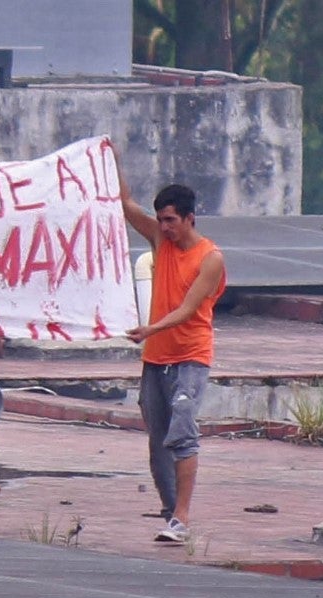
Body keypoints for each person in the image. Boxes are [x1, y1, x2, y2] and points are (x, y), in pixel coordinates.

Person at [118, 162, 226, 543]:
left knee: (182, 433)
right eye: (161, 220)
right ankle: (169, 512)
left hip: (190, 358)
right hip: (156, 360)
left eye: (170, 220)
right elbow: (127, 204)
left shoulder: (210, 258)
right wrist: (110, 158)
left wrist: (150, 328)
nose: (164, 227)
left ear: (189, 218)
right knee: (158, 441)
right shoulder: (160, 243)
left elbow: (187, 310)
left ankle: (182, 517)